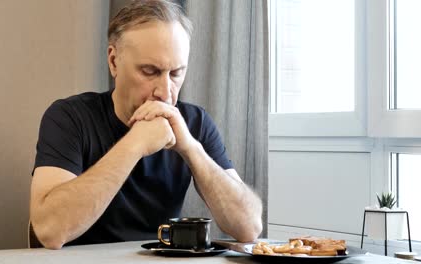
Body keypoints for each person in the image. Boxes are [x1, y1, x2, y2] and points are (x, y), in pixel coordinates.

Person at [30, 0, 262, 250]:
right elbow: (50, 231)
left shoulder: (194, 123)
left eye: (176, 74)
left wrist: (190, 148)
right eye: (150, 71)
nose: (165, 92)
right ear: (114, 61)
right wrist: (134, 144)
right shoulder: (69, 117)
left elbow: (249, 226)